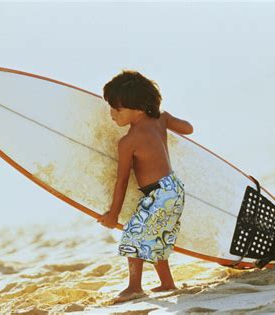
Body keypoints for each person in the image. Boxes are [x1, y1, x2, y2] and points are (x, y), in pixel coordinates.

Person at [97, 70, 193, 302]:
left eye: (117, 109)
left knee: (133, 234)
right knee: (158, 234)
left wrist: (113, 214)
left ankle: (134, 287)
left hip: (158, 193)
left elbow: (121, 181)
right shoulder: (160, 120)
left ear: (137, 108)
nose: (112, 114)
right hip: (174, 189)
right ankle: (167, 283)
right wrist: (167, 118)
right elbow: (188, 129)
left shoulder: (128, 142)